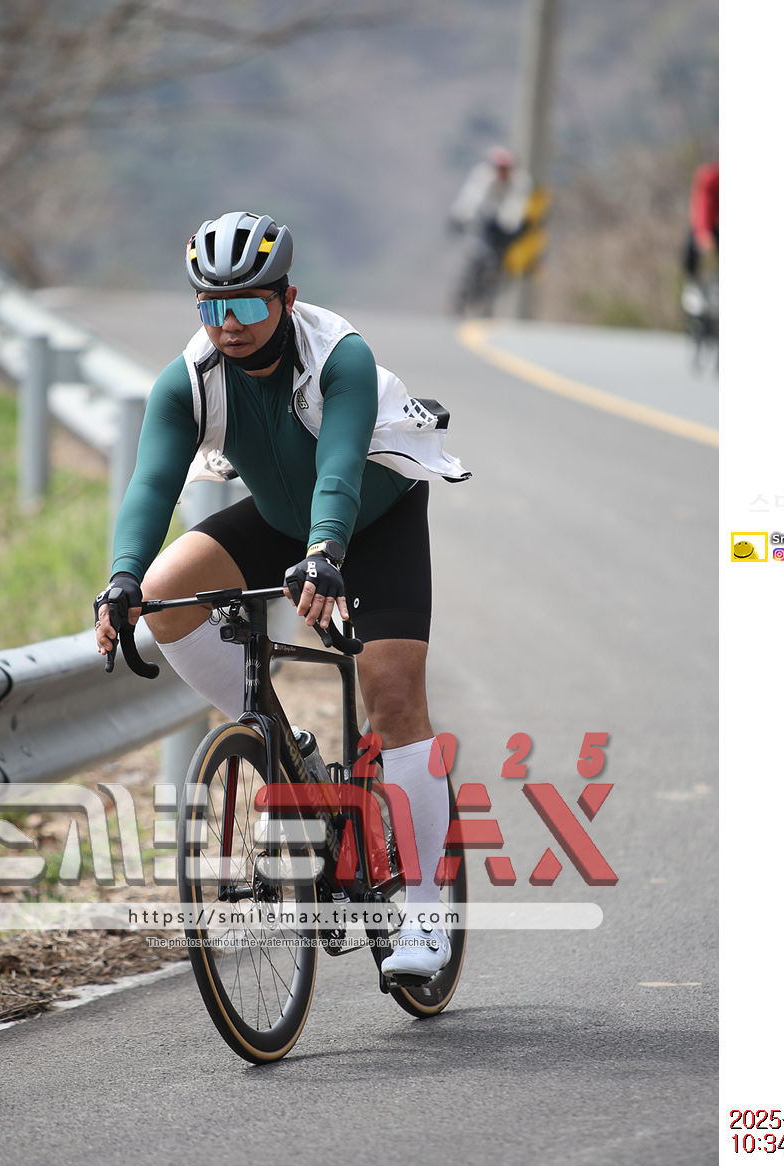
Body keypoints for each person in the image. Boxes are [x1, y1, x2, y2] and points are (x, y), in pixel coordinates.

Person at [94, 210, 470, 983]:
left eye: (245, 305)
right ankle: (282, 741)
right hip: (278, 519)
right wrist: (123, 577)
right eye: (211, 306)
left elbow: (339, 465)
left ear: (287, 298)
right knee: (166, 588)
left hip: (373, 518)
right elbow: (153, 483)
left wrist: (326, 553)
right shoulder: (189, 379)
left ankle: (427, 916)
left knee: (392, 695)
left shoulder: (340, 355)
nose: (227, 325)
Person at [447, 145, 534, 315]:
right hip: (485, 218)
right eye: (499, 168)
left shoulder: (521, 182)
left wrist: (510, 227)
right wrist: (459, 216)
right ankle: (461, 295)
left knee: (500, 263)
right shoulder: (482, 176)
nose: (502, 173)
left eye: (506, 169)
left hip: (507, 225)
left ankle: (489, 302)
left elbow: (516, 207)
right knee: (475, 254)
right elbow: (471, 197)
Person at [682, 159, 718, 282]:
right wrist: (704, 232)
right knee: (693, 245)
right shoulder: (711, 178)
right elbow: (703, 208)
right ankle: (692, 283)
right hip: (711, 228)